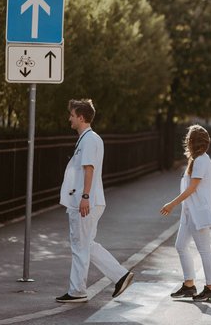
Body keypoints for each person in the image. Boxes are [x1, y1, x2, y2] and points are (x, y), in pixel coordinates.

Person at [57, 99, 133, 303]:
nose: (69, 119)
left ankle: (77, 291)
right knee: (86, 245)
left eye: (72, 115)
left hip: (86, 202)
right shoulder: (88, 139)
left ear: (81, 117)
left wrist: (85, 197)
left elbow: (88, 168)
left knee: (80, 246)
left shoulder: (89, 140)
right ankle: (120, 276)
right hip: (88, 200)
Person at [160, 125, 211, 302]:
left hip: (198, 213)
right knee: (180, 246)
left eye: (188, 139)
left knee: (204, 250)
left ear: (193, 142)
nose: (186, 141)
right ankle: (189, 285)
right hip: (189, 213)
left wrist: (172, 204)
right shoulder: (196, 159)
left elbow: (192, 188)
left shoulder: (202, 160)